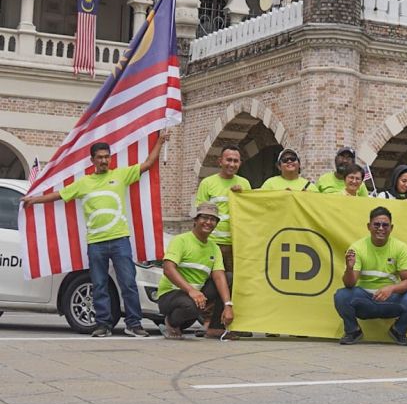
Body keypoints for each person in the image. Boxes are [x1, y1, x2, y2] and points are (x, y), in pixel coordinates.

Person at [21, 133, 169, 337]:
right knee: (99, 285)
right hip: (96, 243)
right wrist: (34, 200)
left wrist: (160, 142)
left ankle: (133, 324)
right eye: (99, 157)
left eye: (106, 157)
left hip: (120, 240)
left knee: (128, 283)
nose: (104, 160)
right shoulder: (84, 183)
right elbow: (58, 195)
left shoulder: (120, 175)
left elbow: (147, 164)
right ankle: (103, 325)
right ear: (92, 160)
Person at [333, 207, 407, 346]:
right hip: (364, 300)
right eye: (376, 224)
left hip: (390, 300)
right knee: (341, 296)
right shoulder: (357, 247)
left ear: (391, 227)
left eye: (385, 225)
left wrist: (391, 289)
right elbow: (349, 284)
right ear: (369, 226)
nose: (381, 228)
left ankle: (398, 331)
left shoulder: (400, 248)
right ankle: (352, 331)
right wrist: (350, 268)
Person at [157, 202, 235, 340]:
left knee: (228, 277)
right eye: (204, 218)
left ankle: (215, 328)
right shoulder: (181, 240)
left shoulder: (214, 248)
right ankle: (171, 323)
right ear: (196, 220)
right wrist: (191, 291)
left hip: (195, 296)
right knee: (191, 306)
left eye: (213, 219)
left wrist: (228, 305)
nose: (208, 222)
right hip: (172, 294)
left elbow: (219, 277)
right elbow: (168, 269)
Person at [195, 145, 251, 273]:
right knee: (210, 281)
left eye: (235, 161)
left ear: (240, 163)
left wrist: (241, 195)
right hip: (212, 243)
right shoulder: (207, 183)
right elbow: (200, 215)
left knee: (233, 282)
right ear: (220, 161)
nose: (232, 164)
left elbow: (249, 212)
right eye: (229, 160)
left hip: (236, 244)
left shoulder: (245, 184)